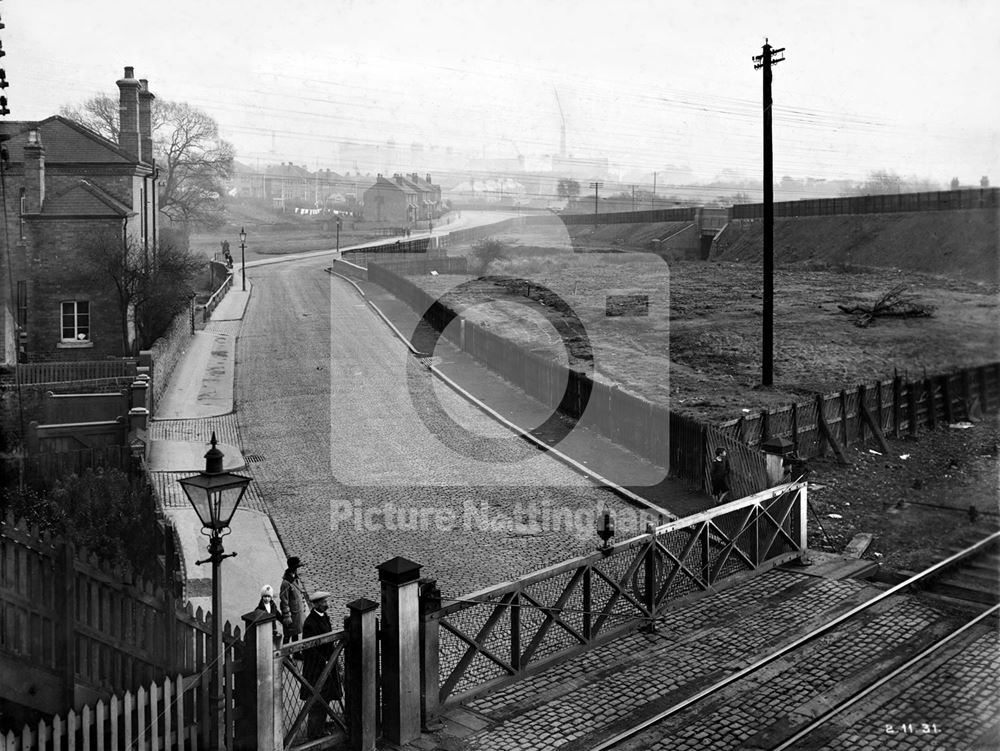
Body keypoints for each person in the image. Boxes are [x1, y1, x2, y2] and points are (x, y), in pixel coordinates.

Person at [300, 591, 342, 739]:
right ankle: (314, 733)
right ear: (317, 604)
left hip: (328, 665)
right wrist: (324, 661)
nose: (326, 604)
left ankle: (321, 726)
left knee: (326, 697)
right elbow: (309, 649)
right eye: (323, 602)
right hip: (316, 668)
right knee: (316, 700)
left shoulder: (325, 617)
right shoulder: (310, 623)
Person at [279, 556, 309, 643]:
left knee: (296, 634)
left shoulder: (295, 578)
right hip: (291, 614)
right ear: (292, 568)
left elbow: (300, 594)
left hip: (297, 612)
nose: (297, 570)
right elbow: (284, 600)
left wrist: (303, 606)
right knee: (288, 635)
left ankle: (296, 653)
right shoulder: (285, 583)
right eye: (296, 568)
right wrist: (287, 616)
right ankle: (286, 654)